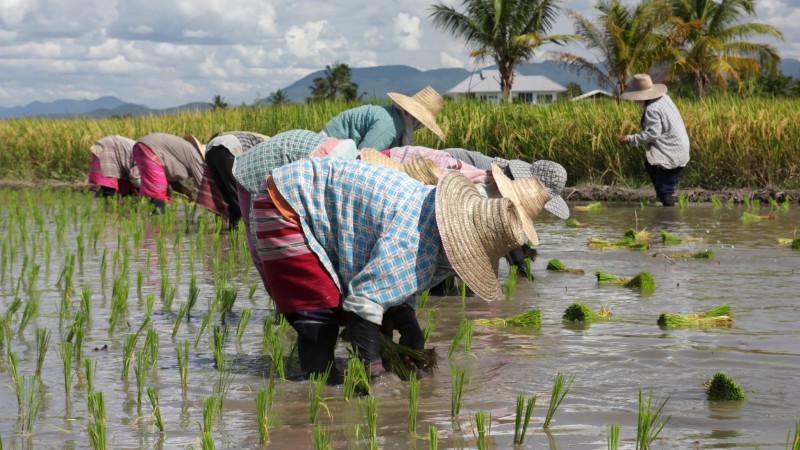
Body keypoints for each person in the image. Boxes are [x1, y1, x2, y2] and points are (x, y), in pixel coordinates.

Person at [241, 155, 550, 381]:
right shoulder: (415, 241)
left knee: (353, 314)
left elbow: (391, 287)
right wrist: (374, 368)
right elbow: (364, 302)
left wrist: (409, 327)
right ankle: (316, 385)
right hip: (286, 202)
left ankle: (323, 376)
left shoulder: (433, 227)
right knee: (318, 315)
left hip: (307, 197)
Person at [617, 73, 690, 207]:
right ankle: (662, 196)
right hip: (680, 147)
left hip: (671, 152)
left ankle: (669, 219)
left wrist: (630, 139)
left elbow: (652, 134)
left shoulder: (652, 109)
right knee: (650, 165)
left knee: (664, 191)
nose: (636, 101)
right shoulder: (664, 98)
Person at [322, 86, 445, 150]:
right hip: (330, 144)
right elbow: (364, 153)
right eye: (421, 122)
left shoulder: (398, 121)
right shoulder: (390, 126)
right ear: (412, 116)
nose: (420, 126)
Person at [195, 131, 269, 228]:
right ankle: (246, 230)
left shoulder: (254, 138)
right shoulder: (266, 144)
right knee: (238, 196)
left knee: (229, 198)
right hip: (228, 148)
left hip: (210, 150)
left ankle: (234, 230)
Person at [131, 133, 206, 212]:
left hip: (140, 148)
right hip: (149, 148)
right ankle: (157, 218)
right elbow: (203, 185)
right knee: (158, 189)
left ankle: (153, 218)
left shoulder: (186, 152)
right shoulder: (195, 157)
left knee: (156, 186)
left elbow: (169, 173)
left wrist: (181, 189)